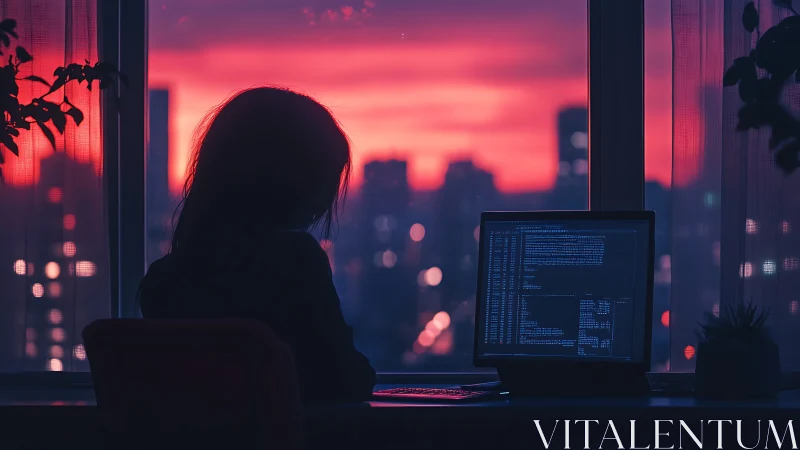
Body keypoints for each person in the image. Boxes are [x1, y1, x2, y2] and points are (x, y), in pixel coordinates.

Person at [137, 87, 376, 404]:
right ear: (297, 181)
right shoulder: (295, 261)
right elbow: (346, 379)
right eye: (325, 178)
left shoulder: (162, 279)